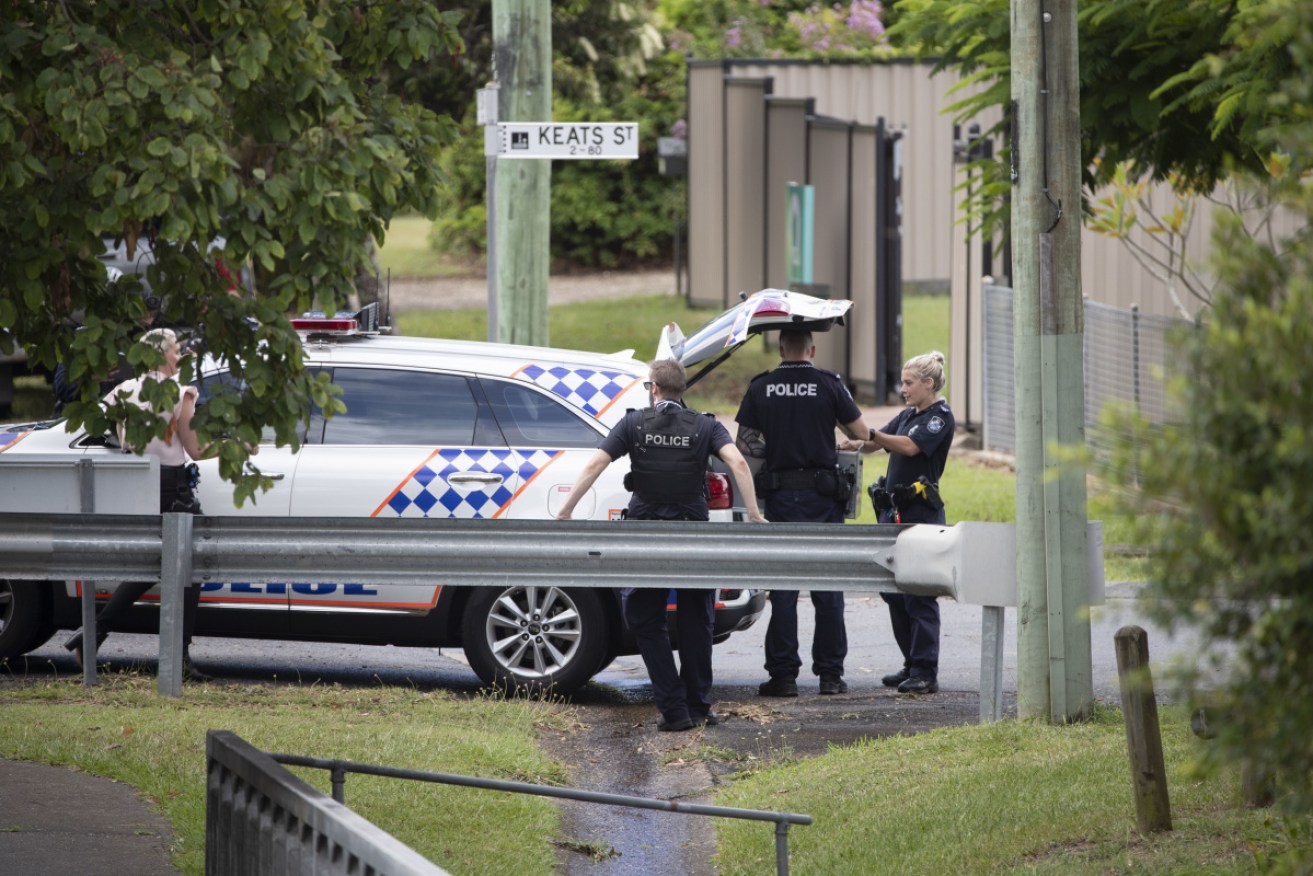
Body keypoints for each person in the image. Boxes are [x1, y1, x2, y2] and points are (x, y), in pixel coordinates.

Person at [556, 358, 767, 732]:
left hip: (646, 536)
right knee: (697, 618)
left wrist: (565, 513)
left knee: (643, 614)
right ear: (681, 389)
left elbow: (594, 466)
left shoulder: (633, 423)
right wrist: (752, 512)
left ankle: (674, 709)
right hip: (693, 535)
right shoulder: (705, 424)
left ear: (654, 389)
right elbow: (736, 461)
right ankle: (699, 706)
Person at [63, 327, 240, 682]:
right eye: (177, 349)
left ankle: (95, 636)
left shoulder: (124, 391)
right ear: (162, 355)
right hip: (174, 488)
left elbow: (106, 430)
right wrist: (236, 444)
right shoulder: (179, 392)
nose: (182, 354)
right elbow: (196, 450)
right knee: (190, 567)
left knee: (155, 565)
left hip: (140, 488)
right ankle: (177, 658)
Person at [735, 329, 873, 698]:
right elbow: (861, 432)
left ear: (781, 348)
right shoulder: (828, 384)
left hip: (781, 497)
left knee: (783, 587)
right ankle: (830, 676)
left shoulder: (761, 386)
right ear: (811, 349)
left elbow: (744, 442)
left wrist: (777, 448)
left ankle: (783, 677)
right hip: (824, 499)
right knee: (827, 586)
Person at [844, 350, 955, 695]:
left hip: (920, 517)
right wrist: (849, 439)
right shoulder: (910, 413)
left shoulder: (938, 418)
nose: (903, 388)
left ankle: (925, 670)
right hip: (895, 516)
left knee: (919, 593)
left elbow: (906, 447)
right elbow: (872, 444)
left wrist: (873, 435)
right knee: (894, 593)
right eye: (903, 382)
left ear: (928, 383)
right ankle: (911, 663)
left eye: (909, 383)